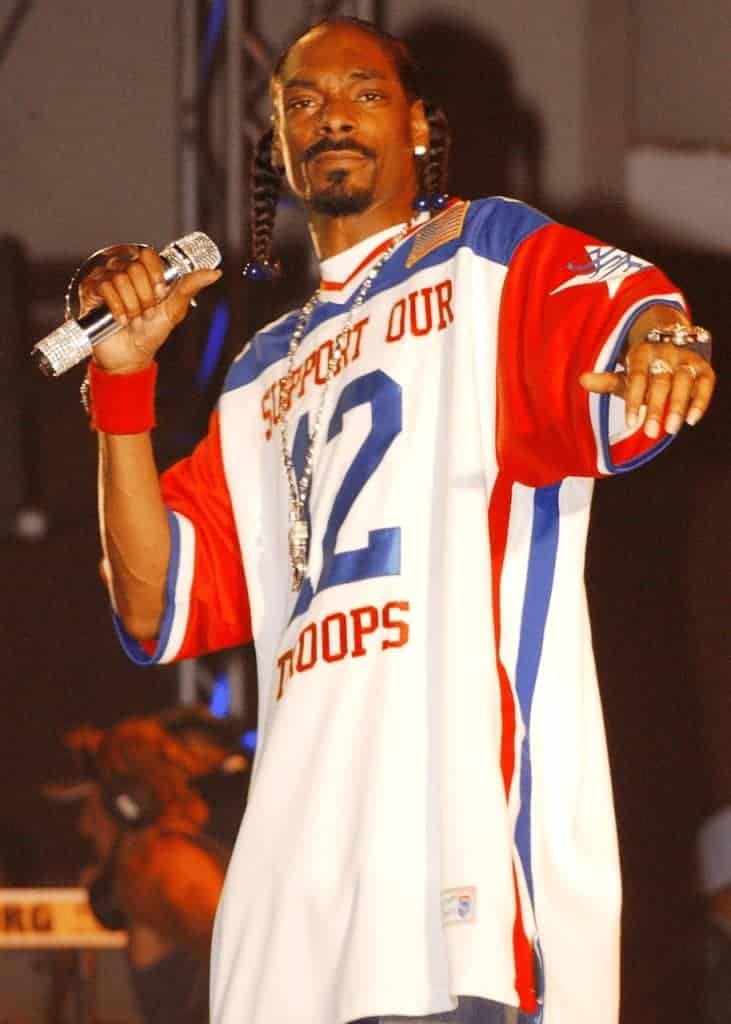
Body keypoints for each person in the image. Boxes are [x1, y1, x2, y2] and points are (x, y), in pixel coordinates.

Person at [75, 17, 717, 1024]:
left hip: (450, 873)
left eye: (363, 93)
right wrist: (121, 386)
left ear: (418, 126)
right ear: (278, 144)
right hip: (290, 911)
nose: (330, 115)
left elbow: (619, 306)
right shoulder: (258, 375)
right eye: (302, 101)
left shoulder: (481, 255)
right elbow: (154, 604)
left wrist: (660, 338)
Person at [50, 709, 249, 1024]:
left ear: (127, 804)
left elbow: (254, 953)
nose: (84, 827)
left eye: (89, 807)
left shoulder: (161, 866)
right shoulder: (166, 864)